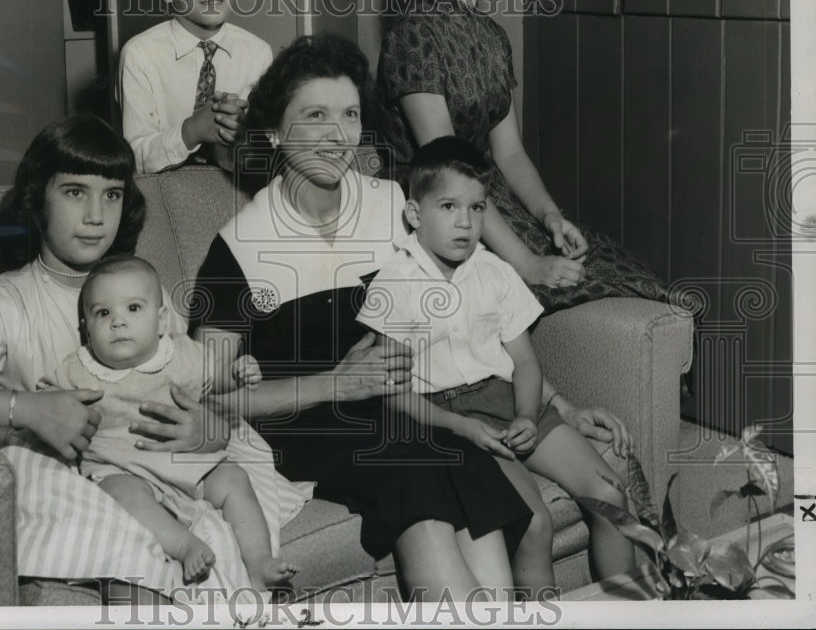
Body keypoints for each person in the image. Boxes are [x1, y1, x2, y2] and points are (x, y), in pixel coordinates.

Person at [190, 34, 629, 602]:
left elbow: (473, 318)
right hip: (315, 426)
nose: (335, 133)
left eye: (348, 114)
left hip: (412, 405)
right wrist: (333, 382)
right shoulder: (240, 246)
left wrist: (561, 404)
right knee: (418, 480)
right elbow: (207, 398)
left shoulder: (393, 207)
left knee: (479, 485)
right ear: (273, 131)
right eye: (314, 115)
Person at [0, 114, 290, 602]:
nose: (95, 215)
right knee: (145, 576)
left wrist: (207, 426)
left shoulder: (138, 288)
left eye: (111, 194)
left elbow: (187, 379)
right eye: (73, 192)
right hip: (83, 482)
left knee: (234, 537)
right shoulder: (7, 302)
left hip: (168, 464)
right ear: (37, 199)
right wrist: (23, 408)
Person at [375, 0, 669, 313]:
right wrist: (528, 264)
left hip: (490, 200)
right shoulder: (413, 35)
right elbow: (447, 169)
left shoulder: (492, 36)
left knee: (632, 276)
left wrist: (551, 216)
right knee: (580, 284)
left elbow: (509, 152)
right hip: (441, 210)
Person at [356, 136, 634, 591]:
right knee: (532, 522)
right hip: (450, 420)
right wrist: (460, 427)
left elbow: (524, 360)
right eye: (448, 207)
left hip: (511, 402)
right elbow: (393, 392)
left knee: (610, 494)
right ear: (414, 214)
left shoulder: (495, 271)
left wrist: (528, 413)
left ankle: (628, 616)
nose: (465, 223)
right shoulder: (395, 283)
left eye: (477, 208)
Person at [45, 254, 300, 591]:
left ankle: (259, 561)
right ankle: (184, 546)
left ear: (161, 319)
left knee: (234, 478)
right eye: (103, 313)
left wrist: (237, 373)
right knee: (120, 495)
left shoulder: (180, 354)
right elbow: (46, 401)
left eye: (133, 308)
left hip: (183, 458)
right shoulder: (77, 369)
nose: (117, 322)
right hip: (120, 466)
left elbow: (214, 378)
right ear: (86, 328)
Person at [120, 0, 273, 173]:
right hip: (163, 197)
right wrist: (192, 131)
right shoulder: (140, 55)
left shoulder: (258, 54)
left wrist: (244, 134)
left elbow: (270, 144)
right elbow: (135, 159)